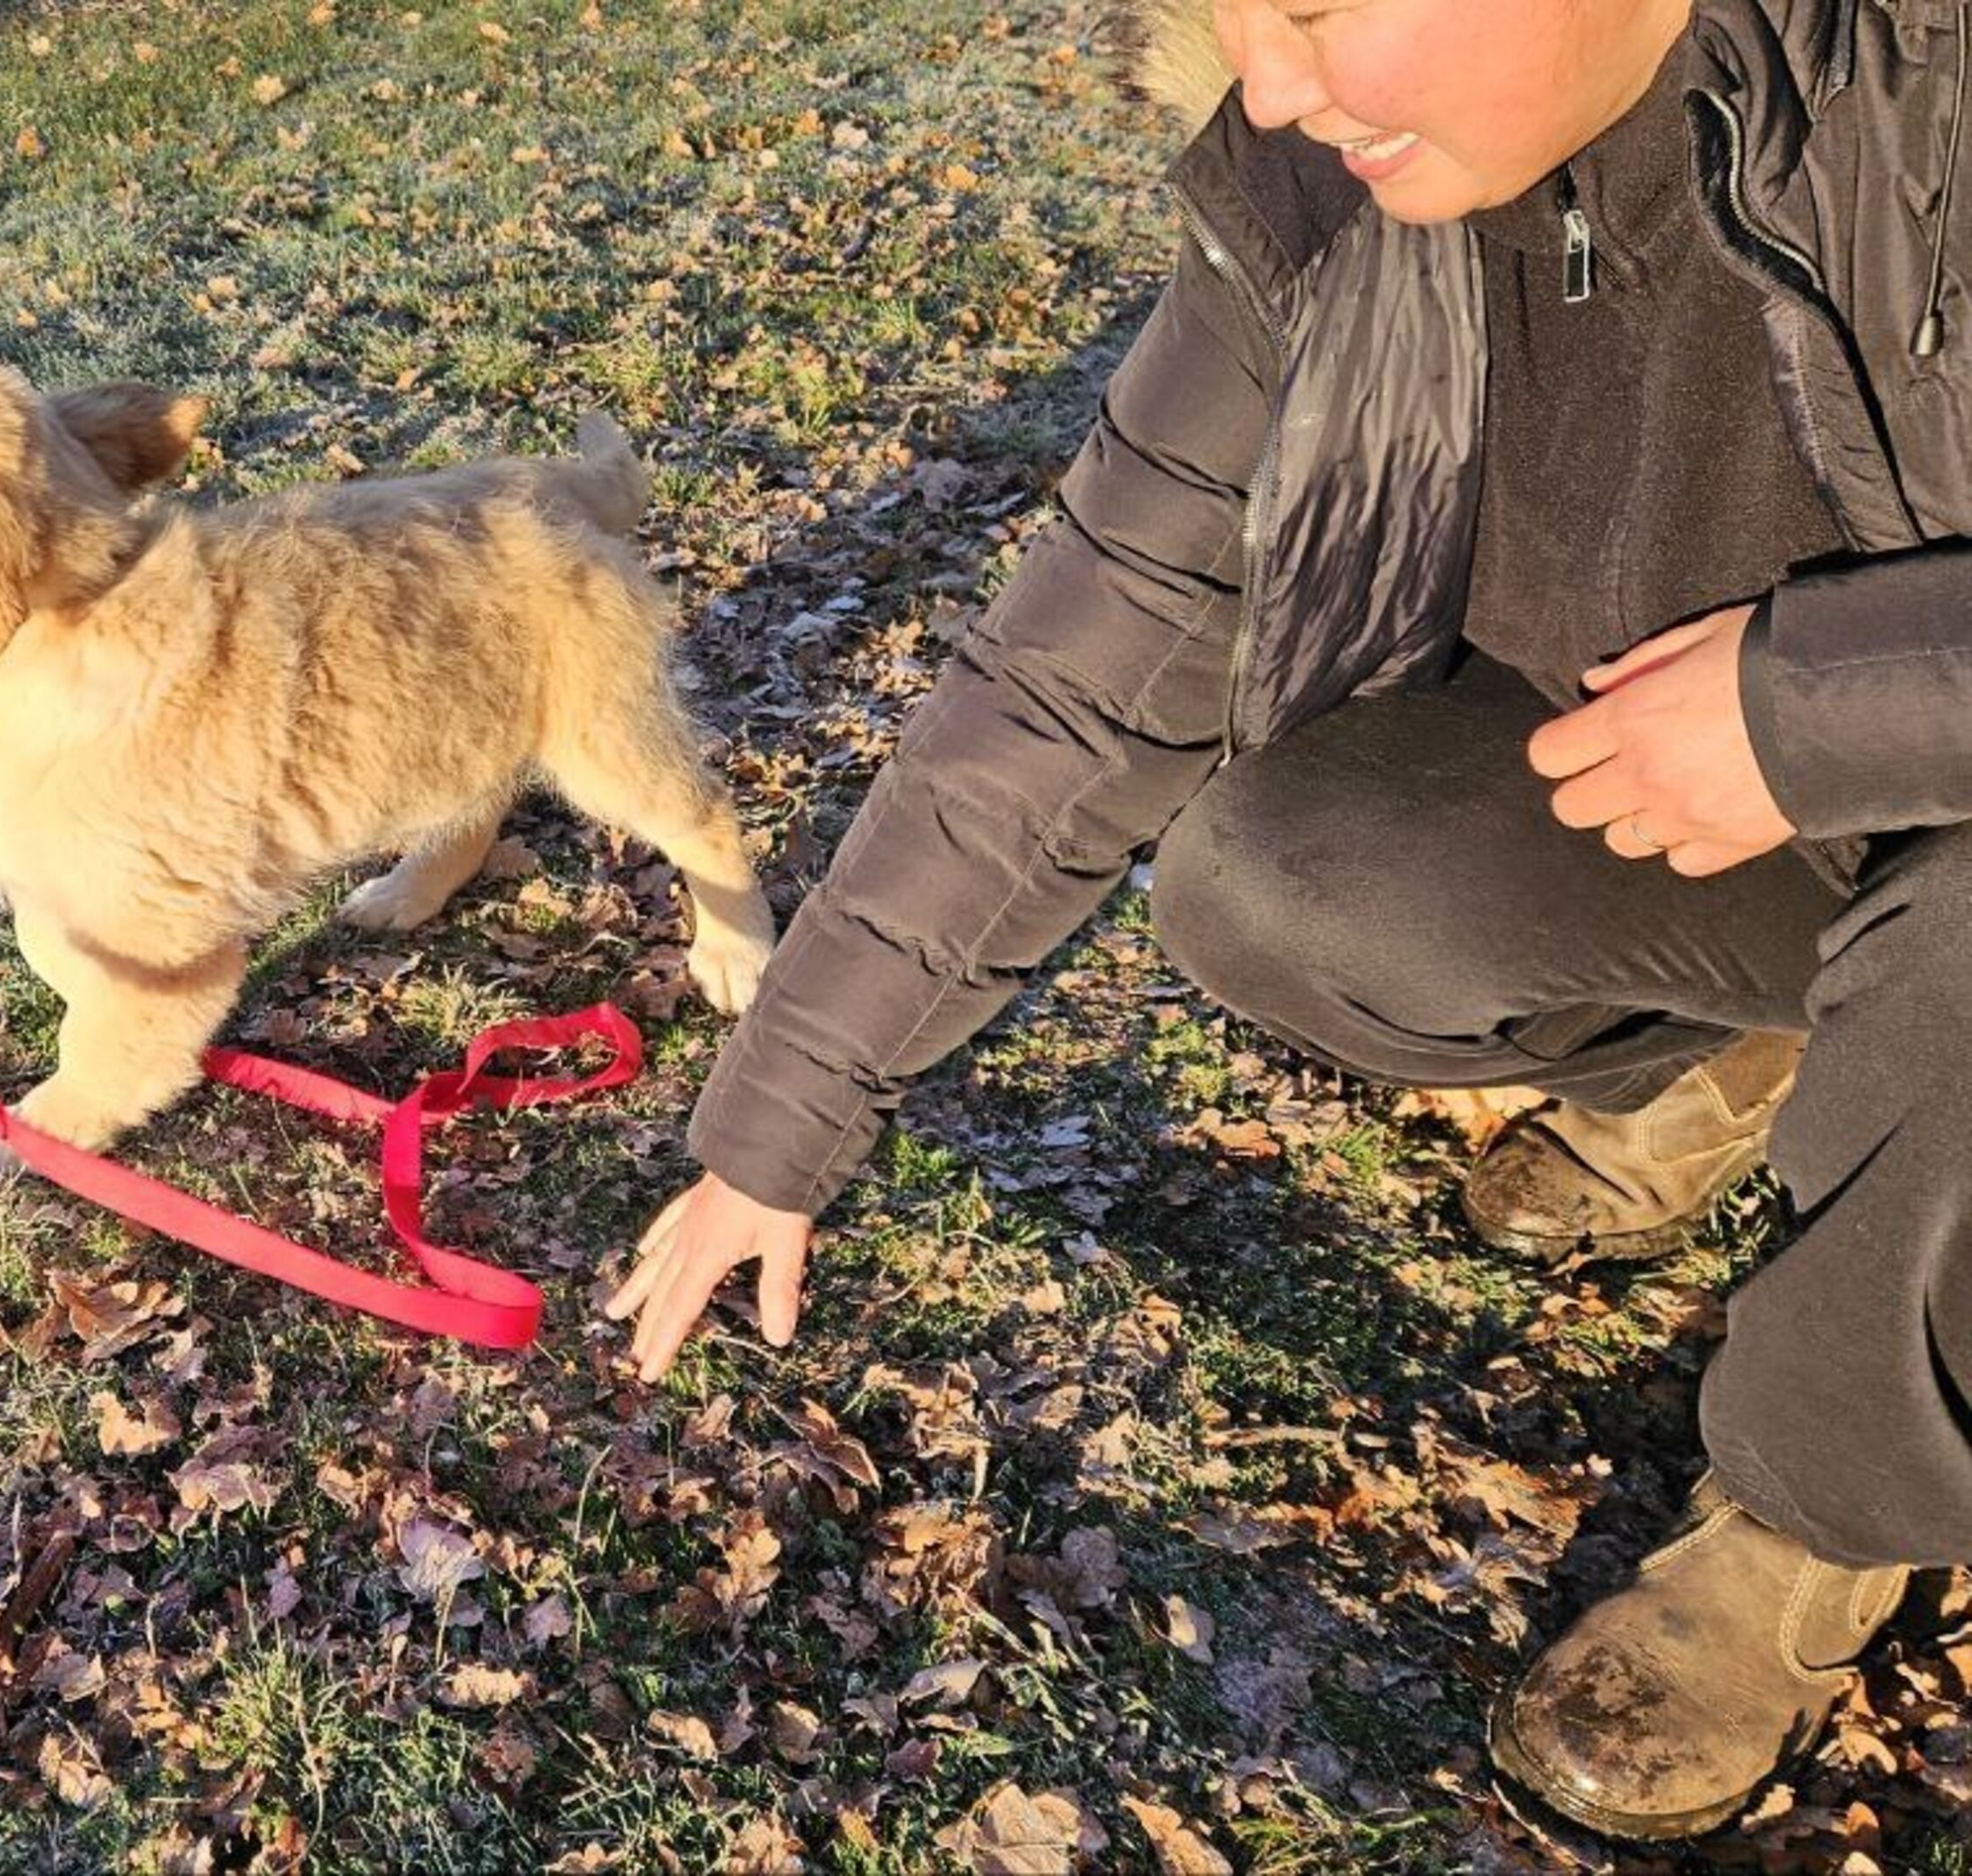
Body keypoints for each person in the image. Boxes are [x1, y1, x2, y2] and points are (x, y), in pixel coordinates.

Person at [604, 0, 1972, 1842]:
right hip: (1709, 818)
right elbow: (1078, 675)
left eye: (1321, 4)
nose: (1269, 84)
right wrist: (779, 1123)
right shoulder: (1317, 194)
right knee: (1290, 879)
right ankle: (1741, 1034)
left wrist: (1823, 710)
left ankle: (1821, 1511)